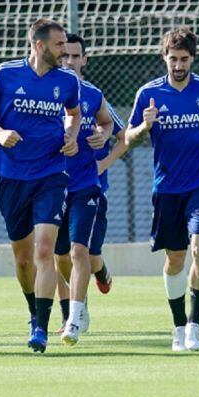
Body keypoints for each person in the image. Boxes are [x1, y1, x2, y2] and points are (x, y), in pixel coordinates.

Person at [0, 19, 81, 353]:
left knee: (44, 250)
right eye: (59, 45)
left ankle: (42, 328)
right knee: (23, 259)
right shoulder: (5, 74)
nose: (64, 51)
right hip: (11, 176)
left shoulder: (67, 81)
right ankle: (34, 311)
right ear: (38, 45)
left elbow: (74, 113)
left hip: (51, 173)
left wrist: (71, 135)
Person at [126, 28, 199, 352]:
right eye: (173, 58)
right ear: (165, 58)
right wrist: (145, 125)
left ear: (192, 59)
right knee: (175, 259)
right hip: (167, 187)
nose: (178, 65)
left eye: (184, 59)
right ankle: (178, 326)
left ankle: (195, 325)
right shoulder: (149, 93)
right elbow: (128, 138)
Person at [48, 33, 115, 345]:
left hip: (86, 186)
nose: (69, 62)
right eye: (64, 56)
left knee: (81, 251)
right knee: (61, 256)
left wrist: (103, 136)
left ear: (84, 60)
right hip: (51, 185)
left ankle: (73, 319)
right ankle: (86, 288)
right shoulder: (45, 92)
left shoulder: (93, 94)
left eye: (75, 56)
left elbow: (111, 125)